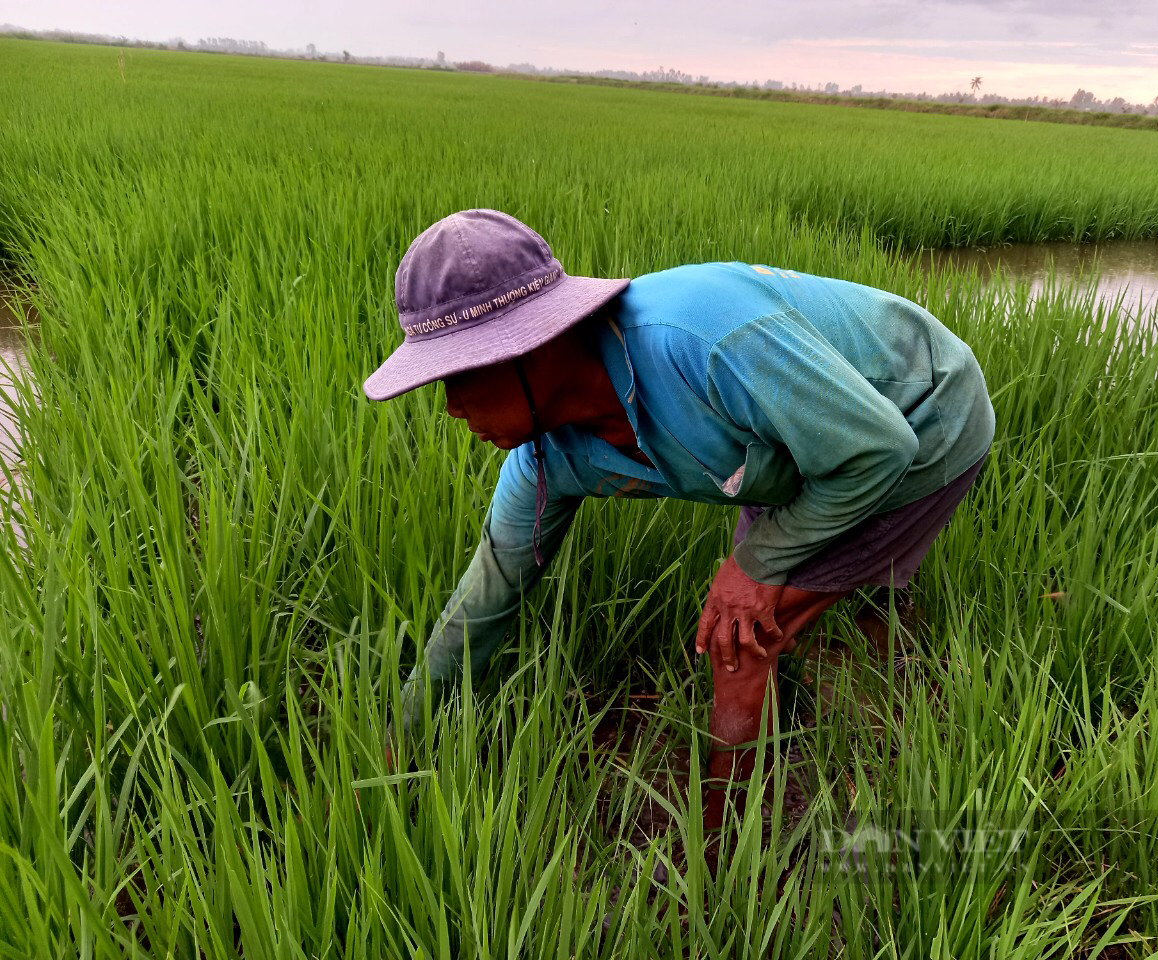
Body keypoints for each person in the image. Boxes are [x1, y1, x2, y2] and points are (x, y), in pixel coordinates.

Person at [364, 209, 996, 832]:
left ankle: (723, 854)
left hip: (920, 415)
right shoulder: (544, 464)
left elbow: (878, 448)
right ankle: (845, 644)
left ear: (534, 347)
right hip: (792, 445)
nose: (449, 407)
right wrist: (401, 736)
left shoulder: (703, 345)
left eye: (460, 375)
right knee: (764, 617)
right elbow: (484, 603)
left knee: (738, 641)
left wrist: (754, 564)